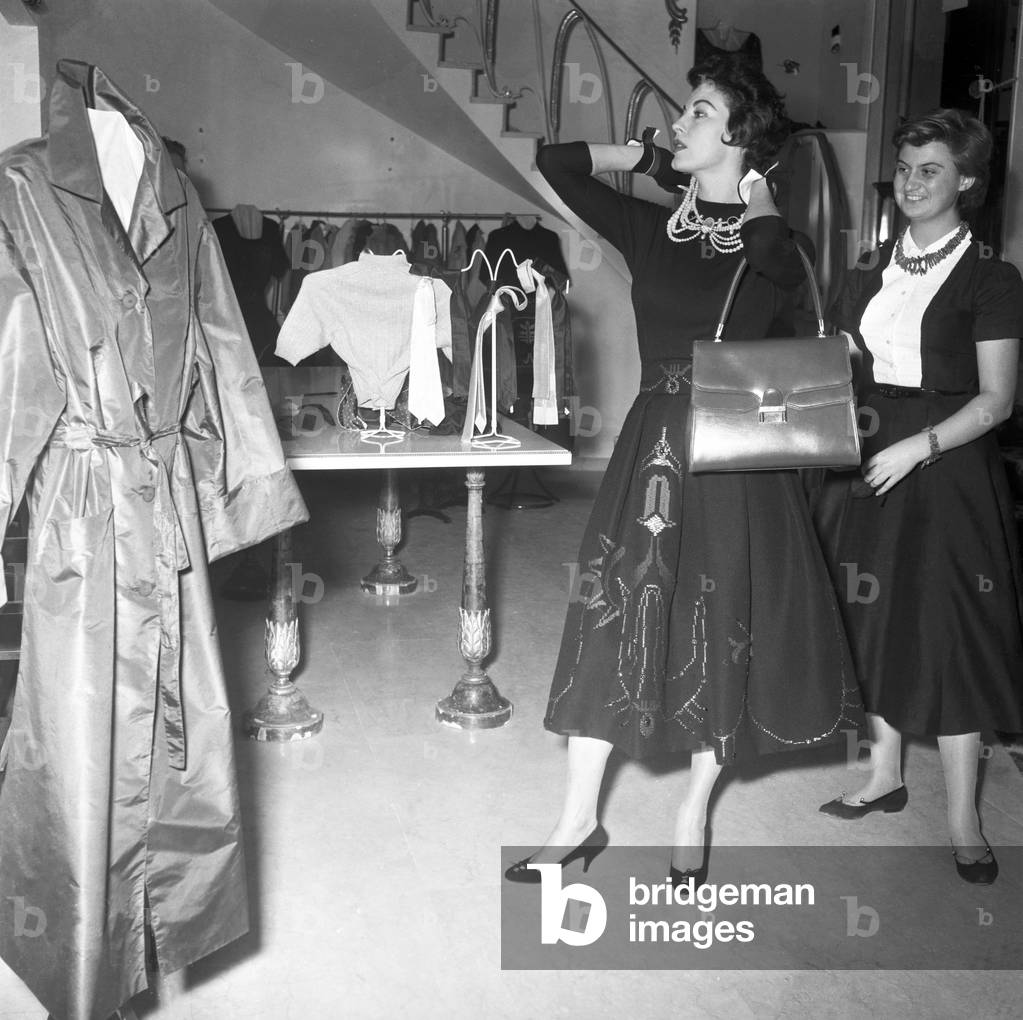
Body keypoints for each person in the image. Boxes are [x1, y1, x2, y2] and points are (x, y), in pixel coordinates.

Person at [507, 54, 862, 885]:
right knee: (612, 615)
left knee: (721, 626)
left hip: (739, 455)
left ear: (738, 133)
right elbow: (554, 164)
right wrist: (641, 157)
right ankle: (575, 821)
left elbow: (776, 257)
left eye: (699, 112)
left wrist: (757, 191)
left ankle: (695, 804)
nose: (680, 122)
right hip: (653, 446)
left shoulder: (779, 240)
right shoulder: (649, 226)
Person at [817, 109, 1023, 884]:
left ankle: (964, 817)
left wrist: (916, 446)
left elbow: (995, 400)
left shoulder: (990, 280)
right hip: (868, 457)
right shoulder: (867, 269)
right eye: (904, 167)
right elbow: (843, 361)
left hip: (948, 466)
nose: (910, 181)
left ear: (965, 181)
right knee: (870, 617)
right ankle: (884, 773)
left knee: (950, 631)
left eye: (929, 169)